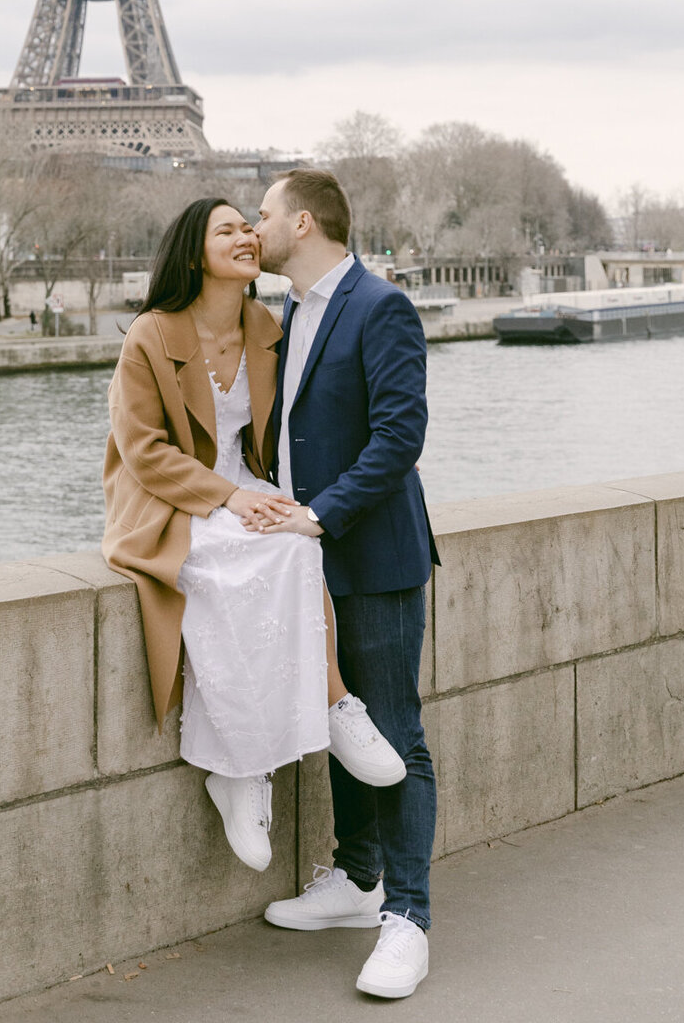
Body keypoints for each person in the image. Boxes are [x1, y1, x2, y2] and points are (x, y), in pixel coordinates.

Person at [102, 197, 404, 875]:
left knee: (297, 544)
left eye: (248, 225)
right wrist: (229, 496)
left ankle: (323, 712)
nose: (245, 236)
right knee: (228, 563)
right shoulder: (151, 334)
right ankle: (242, 771)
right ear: (191, 253)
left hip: (245, 492)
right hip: (172, 503)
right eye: (227, 230)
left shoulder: (269, 325)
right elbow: (144, 451)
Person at [253, 169, 439, 1001]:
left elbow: (401, 437)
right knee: (341, 721)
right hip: (311, 558)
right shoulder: (291, 310)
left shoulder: (380, 305)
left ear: (302, 221)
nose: (253, 227)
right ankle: (359, 880)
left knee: (395, 731)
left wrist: (319, 515)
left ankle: (408, 918)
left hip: (372, 556)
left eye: (262, 214)